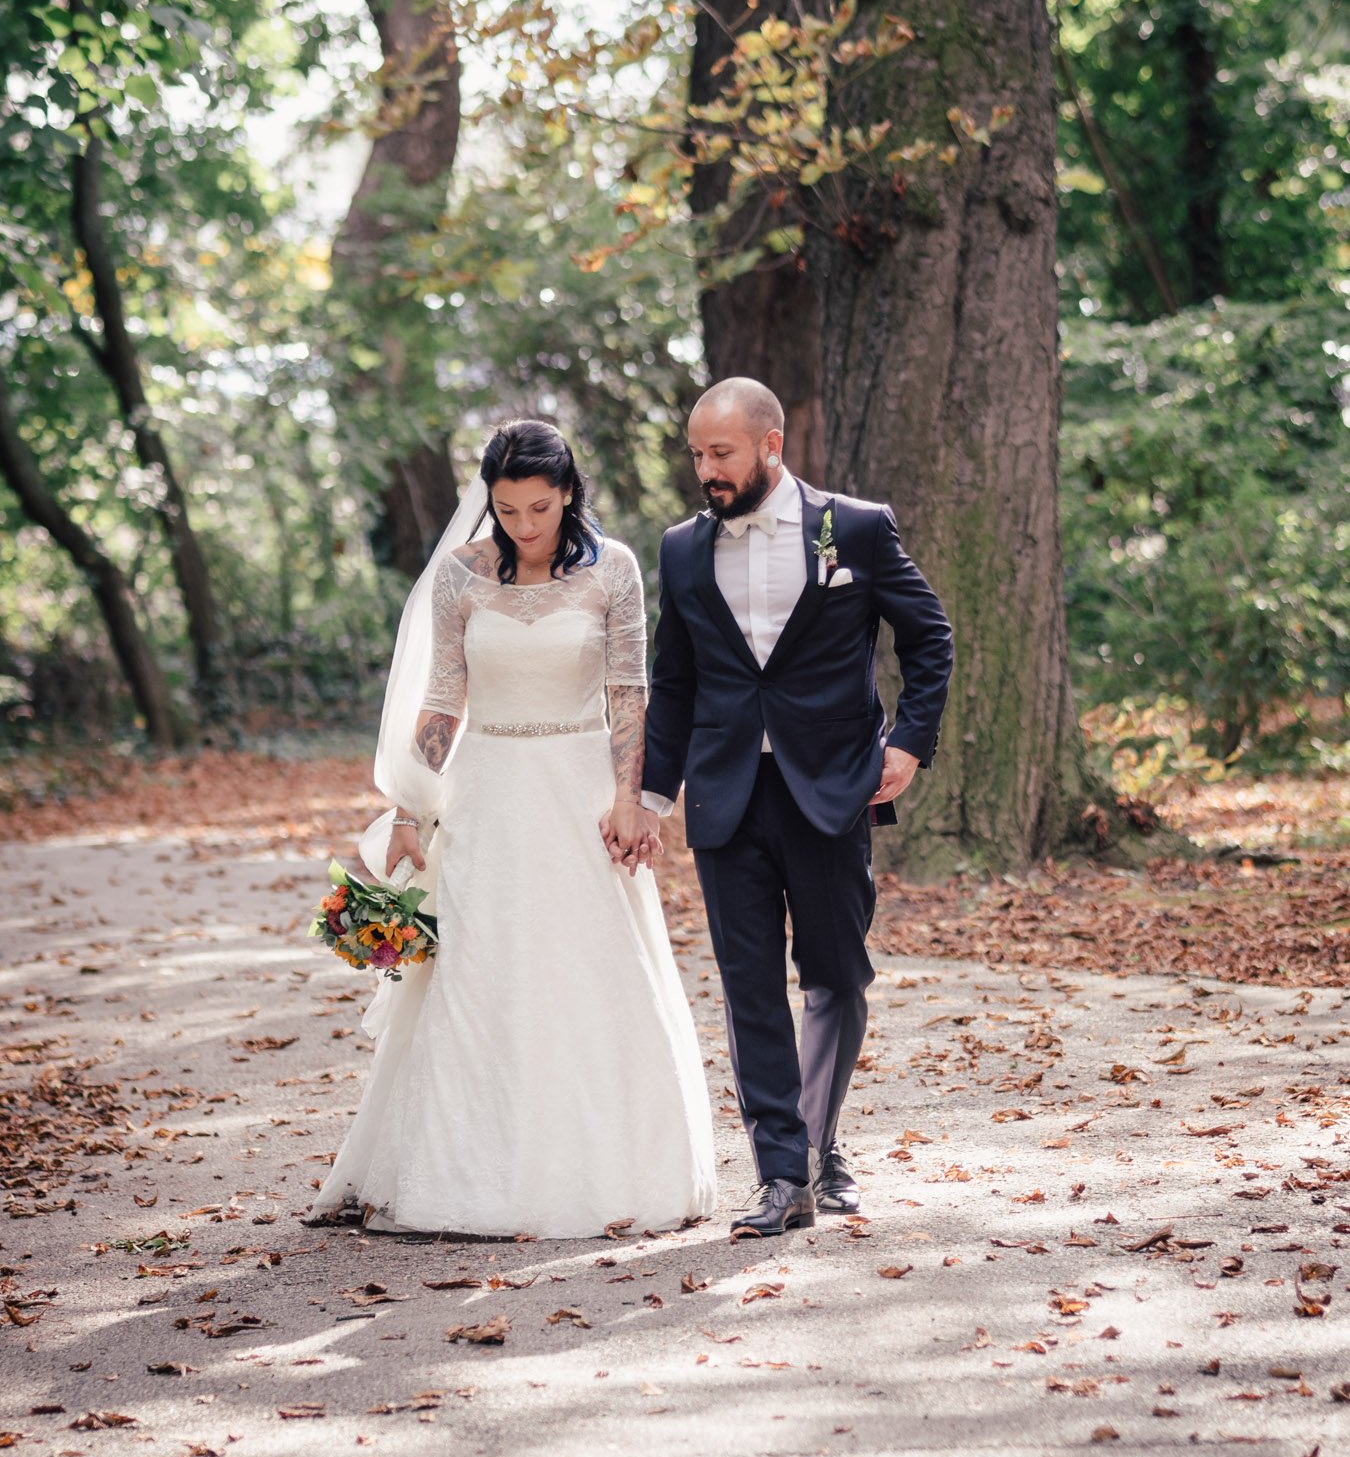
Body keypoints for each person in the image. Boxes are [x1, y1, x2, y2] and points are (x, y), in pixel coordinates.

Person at [309, 420, 715, 1237]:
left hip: (579, 790)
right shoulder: (462, 576)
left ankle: (604, 1172)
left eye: (539, 507)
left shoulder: (616, 571)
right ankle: (457, 1173)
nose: (525, 525)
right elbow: (442, 700)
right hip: (485, 790)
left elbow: (629, 696)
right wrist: (408, 808)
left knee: (584, 969)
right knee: (474, 970)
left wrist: (631, 799)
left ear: (567, 494)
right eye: (507, 509)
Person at [627, 378, 952, 1240]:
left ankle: (818, 1138)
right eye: (696, 454)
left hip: (832, 786)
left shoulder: (856, 527)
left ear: (770, 444)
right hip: (727, 792)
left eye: (721, 453)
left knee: (838, 975)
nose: (706, 470)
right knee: (749, 991)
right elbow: (676, 681)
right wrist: (650, 796)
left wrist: (910, 742)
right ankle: (783, 1172)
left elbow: (929, 637)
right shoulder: (683, 550)